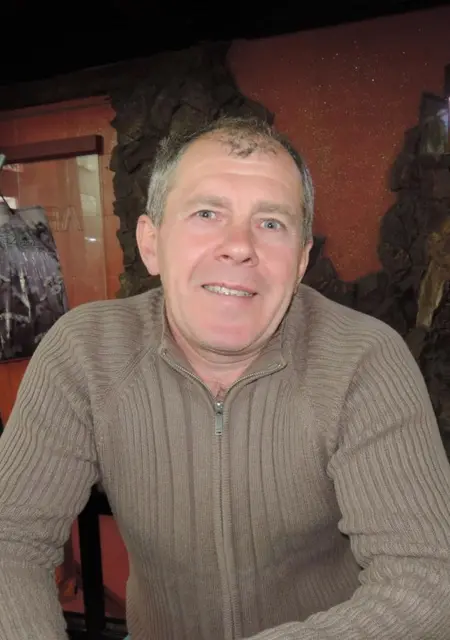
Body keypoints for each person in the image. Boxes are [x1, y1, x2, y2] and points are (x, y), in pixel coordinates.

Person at [0, 116, 449, 640]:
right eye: (207, 213)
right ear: (151, 242)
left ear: (301, 260)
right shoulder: (85, 352)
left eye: (271, 223)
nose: (239, 246)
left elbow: (429, 578)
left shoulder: (364, 358)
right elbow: (11, 539)